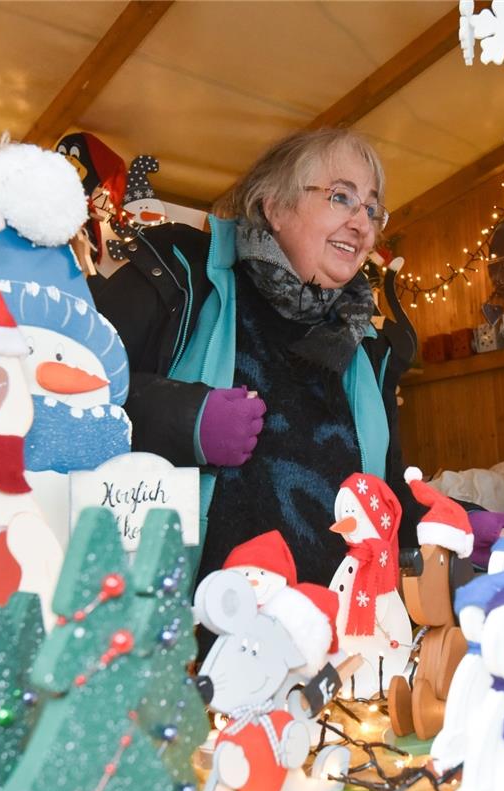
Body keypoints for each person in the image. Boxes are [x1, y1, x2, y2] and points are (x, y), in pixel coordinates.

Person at [93, 128, 416, 587]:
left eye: (371, 208)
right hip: (191, 631)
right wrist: (186, 418)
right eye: (341, 197)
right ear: (276, 206)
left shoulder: (365, 342)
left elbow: (388, 489)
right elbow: (70, 397)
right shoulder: (180, 276)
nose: (362, 224)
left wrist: (462, 523)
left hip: (334, 633)